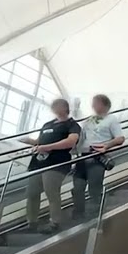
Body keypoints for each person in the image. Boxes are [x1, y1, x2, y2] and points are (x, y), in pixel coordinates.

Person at [20, 98, 81, 232]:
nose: (54, 108)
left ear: (65, 108)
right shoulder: (48, 124)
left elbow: (71, 141)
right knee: (32, 192)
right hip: (38, 163)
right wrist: (30, 141)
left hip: (56, 163)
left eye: (57, 106)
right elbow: (39, 141)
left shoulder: (72, 125)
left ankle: (54, 222)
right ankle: (32, 222)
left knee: (51, 192)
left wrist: (48, 147)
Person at [72, 94, 124, 219]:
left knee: (94, 186)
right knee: (77, 186)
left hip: (97, 156)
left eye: (96, 103)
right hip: (83, 155)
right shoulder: (89, 120)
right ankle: (78, 213)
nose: (93, 105)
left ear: (104, 104)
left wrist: (106, 146)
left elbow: (120, 138)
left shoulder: (111, 119)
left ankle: (95, 214)